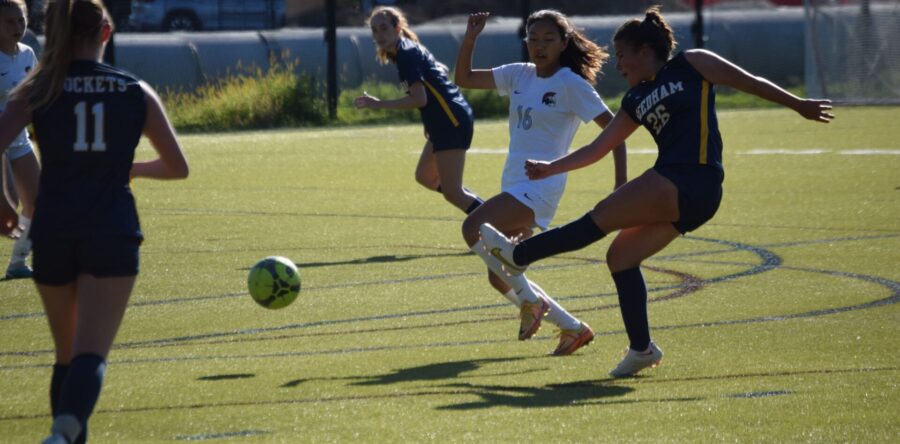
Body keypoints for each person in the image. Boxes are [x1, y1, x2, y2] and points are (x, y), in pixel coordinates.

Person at [480, 6, 833, 376]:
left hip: (692, 178)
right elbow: (599, 146)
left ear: (646, 50)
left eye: (622, 56)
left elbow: (749, 81)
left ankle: (520, 255)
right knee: (621, 258)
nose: (618, 66)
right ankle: (641, 349)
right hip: (684, 194)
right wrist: (551, 168)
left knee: (598, 218)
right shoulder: (635, 98)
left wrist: (799, 104)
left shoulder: (692, 63)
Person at [0, 1, 189, 442]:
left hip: (53, 229)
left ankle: (64, 435)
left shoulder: (38, 88)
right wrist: (133, 169)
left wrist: (4, 201)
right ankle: (63, 434)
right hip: (111, 228)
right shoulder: (134, 91)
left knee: (66, 357)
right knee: (91, 354)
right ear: (106, 33)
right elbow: (177, 166)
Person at [455, 10, 627, 355]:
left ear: (564, 43)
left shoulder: (571, 84)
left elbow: (616, 134)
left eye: (549, 39)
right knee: (498, 275)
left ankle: (532, 304)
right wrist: (471, 37)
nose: (539, 46)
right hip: (514, 183)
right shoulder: (519, 74)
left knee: (473, 226)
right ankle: (572, 327)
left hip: (541, 187)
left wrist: (620, 186)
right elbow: (465, 78)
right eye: (533, 39)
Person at [354, 6, 484, 216]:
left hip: (450, 121)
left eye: (384, 28)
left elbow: (419, 98)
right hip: (444, 120)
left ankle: (503, 224)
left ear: (397, 29)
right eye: (374, 30)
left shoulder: (405, 53)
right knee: (425, 175)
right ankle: (492, 215)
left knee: (453, 192)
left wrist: (378, 103)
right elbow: (438, 70)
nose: (379, 34)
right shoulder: (406, 49)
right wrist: (429, 122)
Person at [0, 0, 40, 279]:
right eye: (9, 22)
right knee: (7, 201)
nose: (17, 27)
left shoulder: (28, 54)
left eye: (20, 20)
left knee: (37, 200)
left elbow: (36, 97)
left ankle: (17, 263)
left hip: (20, 142)